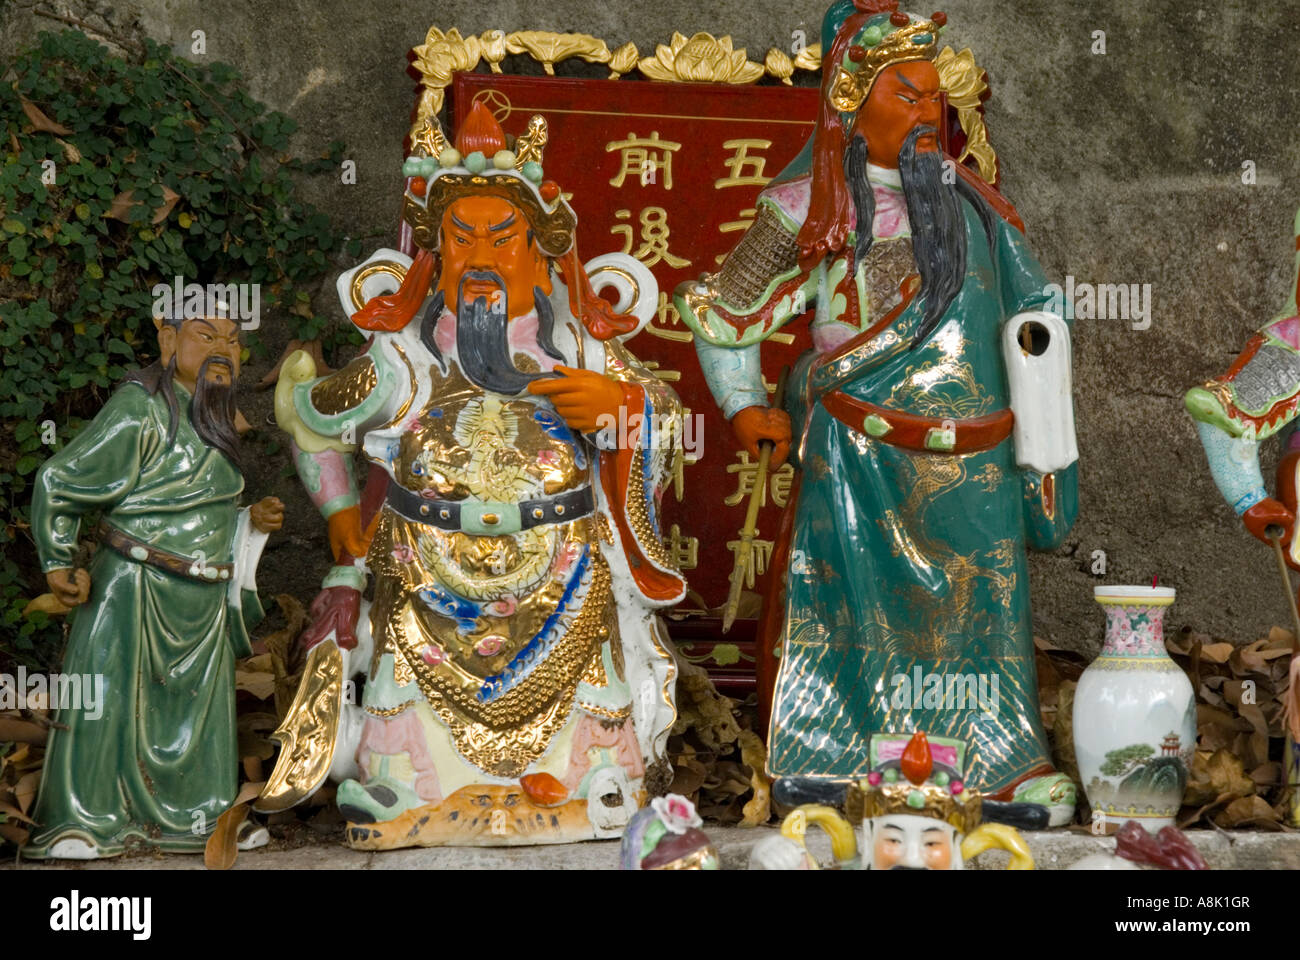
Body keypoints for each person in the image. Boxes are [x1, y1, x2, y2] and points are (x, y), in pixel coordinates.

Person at [675, 0, 1079, 823]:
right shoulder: (806, 209)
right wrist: (746, 404)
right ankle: (828, 756)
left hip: (973, 458)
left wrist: (1040, 428)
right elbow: (723, 314)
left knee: (986, 615)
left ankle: (1001, 764)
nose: (927, 112)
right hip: (858, 456)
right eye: (906, 93)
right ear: (851, 97)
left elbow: (1035, 311)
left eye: (934, 96)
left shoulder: (976, 209)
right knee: (846, 610)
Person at [272, 102, 685, 847]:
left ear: (541, 251)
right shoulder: (403, 362)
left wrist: (622, 409)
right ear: (433, 254)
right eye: (460, 239)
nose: (482, 257)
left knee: (589, 705)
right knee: (405, 721)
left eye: (503, 237)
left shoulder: (582, 356)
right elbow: (307, 416)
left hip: (562, 580)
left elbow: (664, 423)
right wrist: (338, 511)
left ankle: (593, 784)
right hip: (424, 583)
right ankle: (399, 794)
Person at [25, 306, 281, 858]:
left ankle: (204, 814)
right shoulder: (139, 408)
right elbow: (60, 477)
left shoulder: (213, 415)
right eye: (205, 335)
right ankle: (86, 818)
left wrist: (248, 521)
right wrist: (58, 554)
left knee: (202, 714)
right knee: (109, 703)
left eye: (234, 342)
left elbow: (203, 507)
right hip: (133, 585)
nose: (222, 349)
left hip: (202, 594)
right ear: (168, 340)